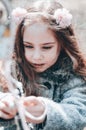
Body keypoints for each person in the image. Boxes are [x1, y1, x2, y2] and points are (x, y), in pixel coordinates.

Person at [0, 0, 86, 130]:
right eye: (28, 46)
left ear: (62, 44)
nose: (36, 56)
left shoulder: (73, 75)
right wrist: (6, 102)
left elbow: (79, 112)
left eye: (46, 47)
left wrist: (45, 110)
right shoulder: (9, 69)